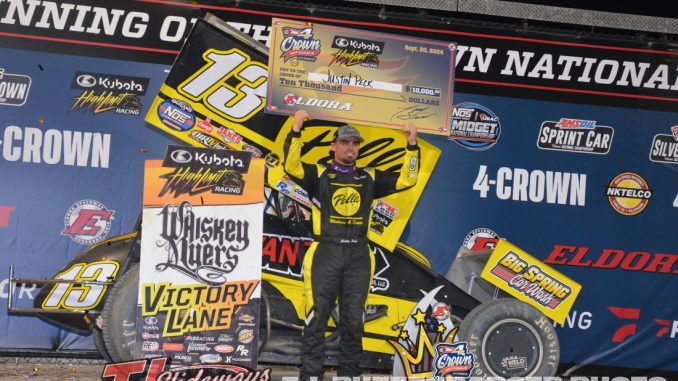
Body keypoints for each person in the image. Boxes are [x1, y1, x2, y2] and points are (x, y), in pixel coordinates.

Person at [282, 109, 420, 379]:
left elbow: (408, 179)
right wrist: (296, 129)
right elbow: (291, 166)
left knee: (353, 322)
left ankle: (349, 375)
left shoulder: (369, 177)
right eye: (345, 142)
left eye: (355, 143)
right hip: (325, 252)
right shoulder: (319, 174)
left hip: (358, 253)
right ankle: (310, 375)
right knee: (316, 318)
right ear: (334, 146)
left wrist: (412, 145)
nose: (351, 147)